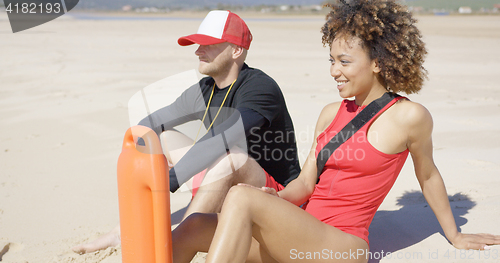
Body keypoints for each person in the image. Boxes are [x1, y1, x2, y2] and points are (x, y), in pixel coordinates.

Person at [171, 1, 500, 262]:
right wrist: (275, 199)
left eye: (344, 62)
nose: (333, 71)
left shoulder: (409, 116)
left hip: (340, 247)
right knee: (194, 227)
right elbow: (304, 184)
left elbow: (428, 176)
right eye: (331, 60)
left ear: (378, 62)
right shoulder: (330, 113)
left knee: (241, 197)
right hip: (299, 234)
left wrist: (455, 235)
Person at [72, 10, 301, 254]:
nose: (198, 51)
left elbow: (223, 137)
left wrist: (170, 178)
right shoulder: (205, 89)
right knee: (161, 138)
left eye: (208, 44)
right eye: (198, 44)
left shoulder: (260, 87)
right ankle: (125, 231)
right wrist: (138, 159)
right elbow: (152, 122)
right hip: (228, 185)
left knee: (229, 158)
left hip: (275, 194)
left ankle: (174, 247)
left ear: (236, 50)